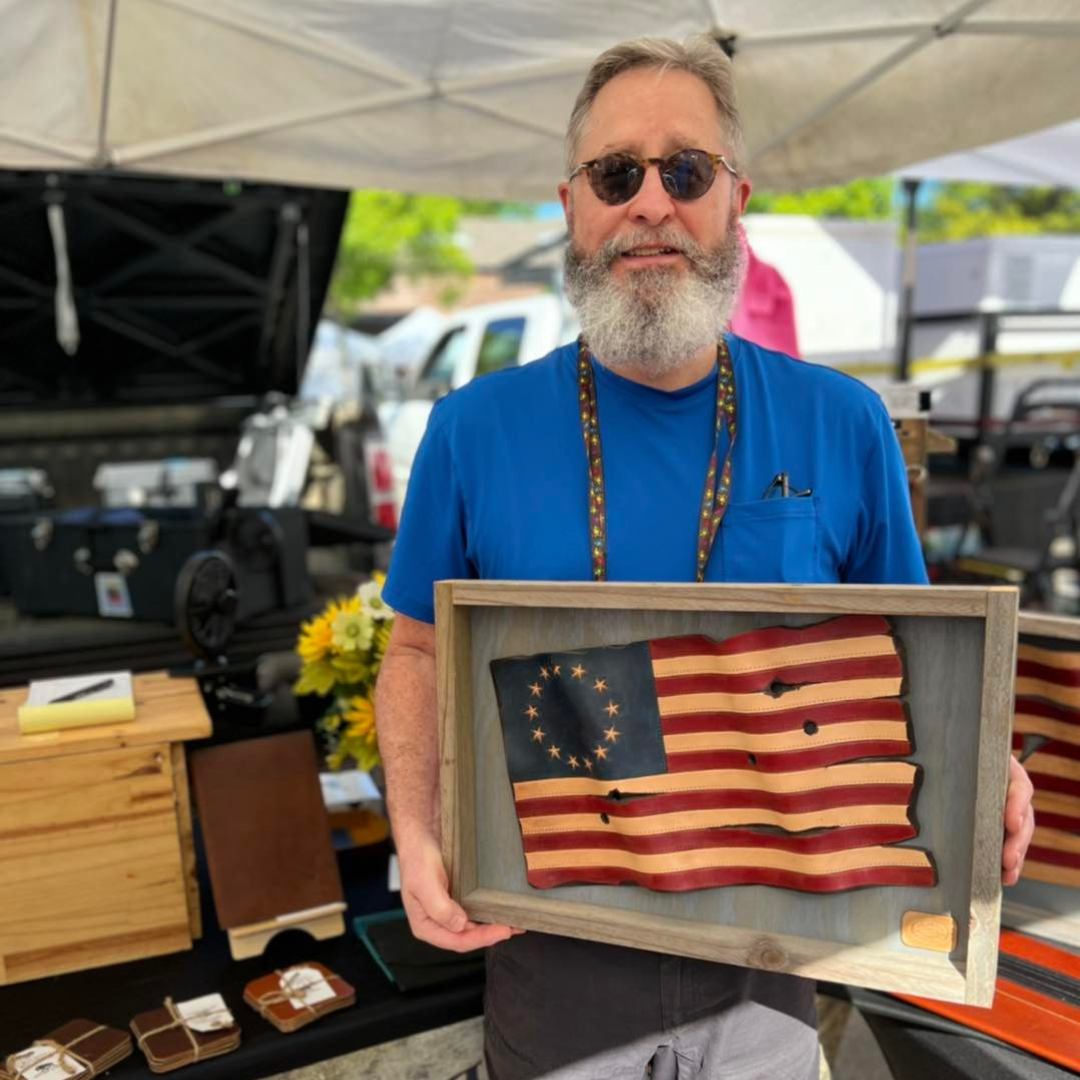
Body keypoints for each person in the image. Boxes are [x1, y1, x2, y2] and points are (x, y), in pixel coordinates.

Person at [376, 35, 1035, 1080]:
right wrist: (414, 834)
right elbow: (415, 654)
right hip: (550, 950)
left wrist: (981, 762)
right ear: (571, 205)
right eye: (615, 174)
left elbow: (921, 664)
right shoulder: (471, 430)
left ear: (736, 200)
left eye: (686, 171)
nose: (651, 203)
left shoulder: (844, 423)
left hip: (771, 963)